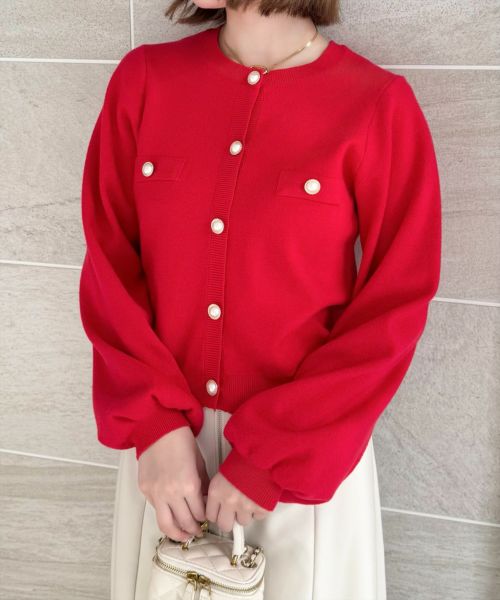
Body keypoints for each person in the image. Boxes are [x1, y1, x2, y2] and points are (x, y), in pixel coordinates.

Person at [78, 1, 442, 598]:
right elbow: (108, 266)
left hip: (305, 463)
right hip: (167, 462)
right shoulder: (143, 81)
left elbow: (395, 305)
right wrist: (154, 426)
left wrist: (271, 459)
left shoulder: (377, 104)